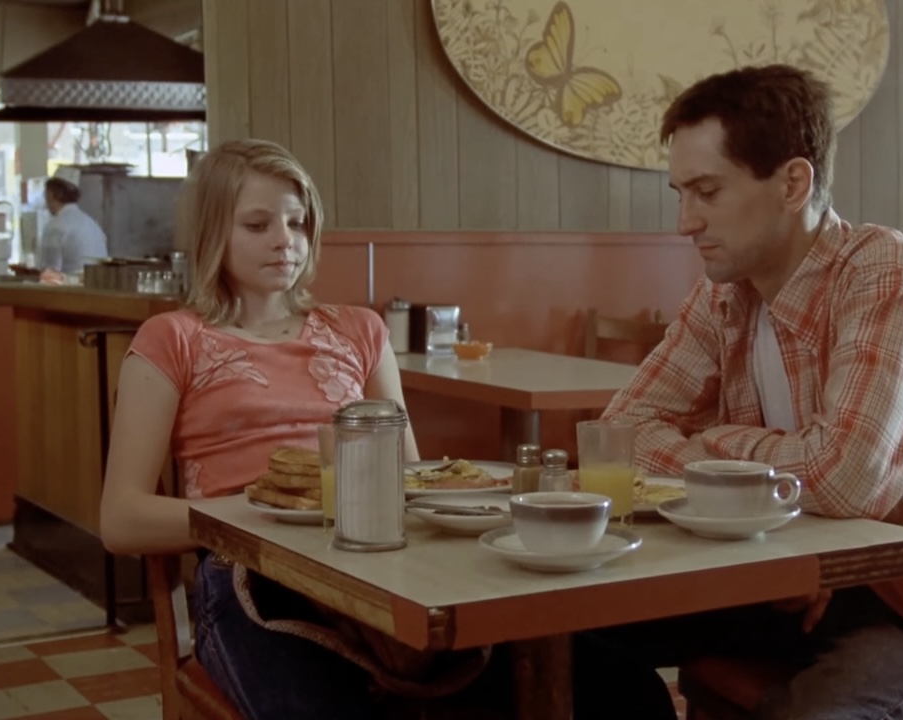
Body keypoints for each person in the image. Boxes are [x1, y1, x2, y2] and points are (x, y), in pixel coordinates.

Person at [99, 139, 672, 719]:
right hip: (251, 583)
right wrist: (270, 518)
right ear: (211, 233)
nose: (285, 241)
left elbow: (409, 480)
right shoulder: (173, 339)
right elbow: (120, 519)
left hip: (377, 570)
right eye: (257, 224)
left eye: (298, 223)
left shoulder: (358, 331)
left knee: (625, 688)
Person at [597, 65, 903, 719]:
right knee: (562, 638)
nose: (684, 222)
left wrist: (711, 443)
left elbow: (844, 481)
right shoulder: (725, 293)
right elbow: (624, 432)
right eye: (681, 193)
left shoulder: (887, 276)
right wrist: (781, 497)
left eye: (706, 192)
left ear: (792, 183)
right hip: (776, 579)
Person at [37, 177, 107, 274]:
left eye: (45, 195)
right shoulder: (92, 224)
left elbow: (50, 273)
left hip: (71, 286)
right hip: (97, 284)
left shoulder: (56, 226)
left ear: (51, 195)